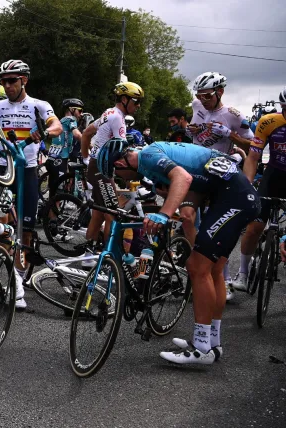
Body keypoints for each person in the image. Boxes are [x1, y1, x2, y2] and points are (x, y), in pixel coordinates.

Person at [97, 139, 260, 365]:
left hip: (233, 199)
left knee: (197, 267)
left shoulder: (148, 156)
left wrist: (163, 215)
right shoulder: (157, 155)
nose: (121, 179)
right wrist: (177, 208)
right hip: (236, 196)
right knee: (213, 271)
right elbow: (189, 197)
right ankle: (212, 342)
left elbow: (183, 178)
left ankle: (201, 347)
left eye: (117, 174)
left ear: (120, 162)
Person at [0, 59, 63, 309]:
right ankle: (7, 279)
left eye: (12, 81)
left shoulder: (39, 105)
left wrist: (44, 132)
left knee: (26, 229)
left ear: (24, 81)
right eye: (4, 81)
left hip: (28, 170)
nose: (7, 86)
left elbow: (57, 126)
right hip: (3, 169)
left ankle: (18, 279)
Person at [186, 72, 254, 297]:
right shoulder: (197, 104)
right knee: (187, 217)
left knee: (215, 228)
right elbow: (195, 128)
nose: (203, 100)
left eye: (207, 96)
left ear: (220, 92)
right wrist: (191, 130)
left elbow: (253, 143)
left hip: (219, 174)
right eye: (200, 96)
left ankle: (221, 279)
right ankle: (194, 267)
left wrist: (230, 135)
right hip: (196, 167)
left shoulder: (233, 114)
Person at [80, 82, 144, 267]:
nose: (138, 105)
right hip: (101, 169)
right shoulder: (118, 118)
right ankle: (111, 258)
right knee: (113, 215)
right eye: (136, 101)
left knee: (99, 213)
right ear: (124, 100)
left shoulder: (108, 113)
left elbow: (86, 133)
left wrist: (86, 158)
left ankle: (88, 255)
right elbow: (124, 149)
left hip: (97, 167)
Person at [234, 89, 286, 291]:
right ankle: (243, 273)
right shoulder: (268, 121)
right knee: (254, 227)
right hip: (273, 175)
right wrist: (246, 186)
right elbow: (253, 157)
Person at [45, 98, 83, 240]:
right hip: (59, 160)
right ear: (72, 110)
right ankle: (53, 227)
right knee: (58, 195)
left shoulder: (61, 121)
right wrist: (89, 143)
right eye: (79, 110)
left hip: (55, 159)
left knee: (55, 193)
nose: (80, 114)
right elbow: (76, 135)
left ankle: (52, 225)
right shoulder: (69, 119)